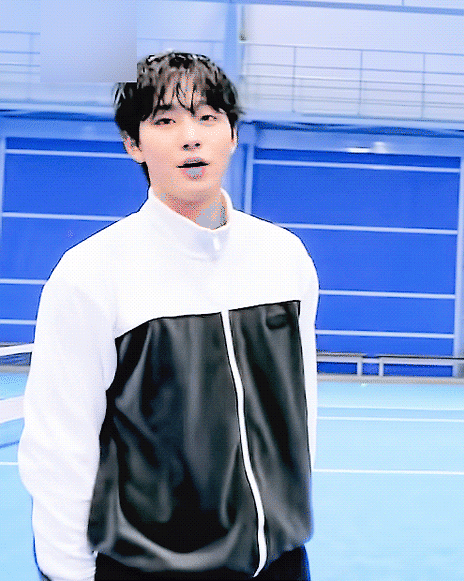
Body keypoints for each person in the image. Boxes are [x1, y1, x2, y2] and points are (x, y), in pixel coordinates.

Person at [18, 51, 319, 581]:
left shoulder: (283, 257)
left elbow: (301, 412)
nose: (191, 137)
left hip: (280, 564)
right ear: (133, 143)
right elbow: (61, 447)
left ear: (232, 134)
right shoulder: (91, 273)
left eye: (207, 117)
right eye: (165, 121)